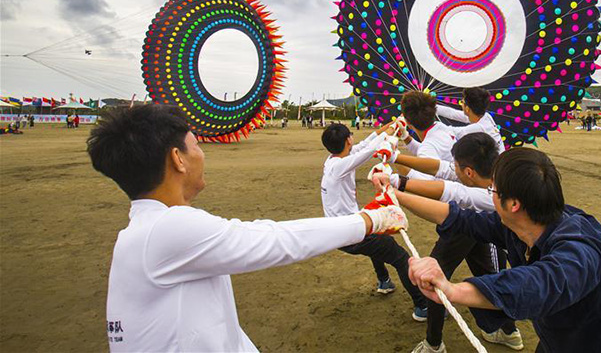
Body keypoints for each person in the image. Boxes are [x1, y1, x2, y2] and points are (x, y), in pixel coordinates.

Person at [87, 104, 408, 352]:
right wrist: (370, 220)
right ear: (177, 159)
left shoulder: (146, 230)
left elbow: (220, 330)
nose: (202, 153)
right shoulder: (167, 229)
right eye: (196, 145)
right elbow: (277, 240)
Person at [404, 148, 601, 353]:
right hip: (563, 341)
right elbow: (461, 217)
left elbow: (541, 283)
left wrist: (453, 290)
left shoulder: (582, 244)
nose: (489, 196)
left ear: (513, 203)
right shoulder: (521, 223)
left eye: (493, 190)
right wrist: (396, 193)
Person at [372, 133, 523, 352]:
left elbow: (452, 191)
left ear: (469, 172)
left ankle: (433, 344)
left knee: (435, 275)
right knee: (485, 272)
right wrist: (395, 158)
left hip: (478, 229)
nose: (454, 169)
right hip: (475, 225)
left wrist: (395, 185)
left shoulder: (490, 195)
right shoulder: (490, 169)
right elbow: (441, 169)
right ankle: (507, 331)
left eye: (458, 167)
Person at [320, 122, 429, 322]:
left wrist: (391, 125)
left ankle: (384, 281)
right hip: (350, 232)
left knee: (377, 236)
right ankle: (422, 306)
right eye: (351, 136)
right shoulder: (340, 166)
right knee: (400, 257)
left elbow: (366, 142)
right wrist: (388, 136)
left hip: (344, 228)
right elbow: (369, 150)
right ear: (347, 141)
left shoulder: (333, 160)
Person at [435, 87, 504, 155]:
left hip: (498, 164)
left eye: (462, 102)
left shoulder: (478, 128)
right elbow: (452, 113)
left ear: (467, 108)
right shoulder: (486, 116)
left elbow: (449, 131)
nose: (461, 104)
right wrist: (431, 105)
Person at [398, 91, 455, 163]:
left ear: (407, 122)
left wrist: (394, 158)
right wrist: (405, 136)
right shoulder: (440, 126)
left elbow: (427, 150)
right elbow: (428, 149)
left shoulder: (427, 148)